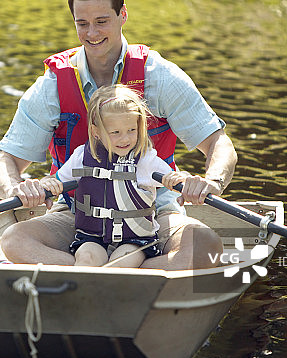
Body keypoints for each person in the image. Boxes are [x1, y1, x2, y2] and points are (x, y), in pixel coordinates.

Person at [0, 0, 236, 270]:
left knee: (206, 246)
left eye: (102, 21)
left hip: (154, 211)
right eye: (82, 24)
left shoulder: (161, 76)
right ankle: (109, 275)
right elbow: (7, 161)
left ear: (123, 16)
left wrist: (211, 182)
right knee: (14, 240)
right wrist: (16, 189)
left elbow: (218, 144)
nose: (92, 33)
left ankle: (107, 275)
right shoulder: (53, 85)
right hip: (77, 212)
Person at [39, 84, 192, 267]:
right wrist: (50, 186)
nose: (125, 139)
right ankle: (83, 292)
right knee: (86, 259)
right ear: (96, 132)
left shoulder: (145, 160)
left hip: (134, 240)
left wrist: (176, 180)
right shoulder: (82, 156)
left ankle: (111, 288)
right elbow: (56, 181)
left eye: (131, 130)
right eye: (115, 133)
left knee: (120, 264)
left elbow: (176, 179)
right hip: (92, 237)